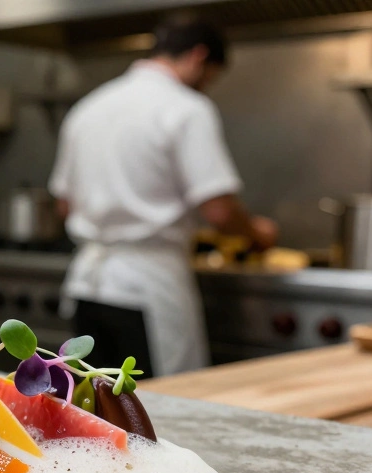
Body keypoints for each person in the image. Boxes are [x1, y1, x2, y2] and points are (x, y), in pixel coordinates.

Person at [49, 16, 277, 377]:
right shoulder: (186, 108)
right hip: (148, 286)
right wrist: (257, 234)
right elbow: (218, 210)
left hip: (87, 286)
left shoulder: (88, 107)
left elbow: (64, 205)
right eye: (211, 77)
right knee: (159, 411)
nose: (206, 86)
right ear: (199, 57)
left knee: (95, 407)